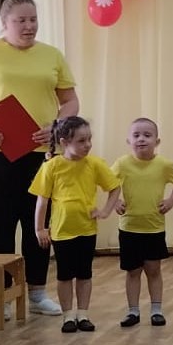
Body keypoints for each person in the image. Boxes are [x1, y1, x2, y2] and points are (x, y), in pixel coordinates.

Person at [0, 0, 78, 316]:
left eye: (33, 19)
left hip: (42, 151)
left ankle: (37, 292)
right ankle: (3, 295)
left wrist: (57, 126)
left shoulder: (51, 55)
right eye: (21, 20)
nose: (29, 26)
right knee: (2, 223)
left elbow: (70, 101)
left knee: (38, 220)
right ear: (4, 22)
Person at [31, 116, 120, 333]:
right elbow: (42, 200)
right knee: (64, 275)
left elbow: (114, 187)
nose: (87, 145)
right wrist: (39, 228)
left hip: (86, 230)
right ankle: (68, 316)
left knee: (84, 274)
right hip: (62, 231)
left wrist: (106, 210)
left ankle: (83, 314)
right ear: (64, 142)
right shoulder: (51, 166)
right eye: (81, 141)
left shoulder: (95, 164)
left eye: (89, 139)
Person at [111, 117, 173, 328]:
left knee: (153, 269)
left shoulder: (164, 165)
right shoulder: (122, 164)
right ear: (129, 140)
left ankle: (156, 310)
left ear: (156, 141)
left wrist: (170, 201)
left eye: (147, 135)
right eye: (136, 135)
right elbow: (108, 183)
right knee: (133, 271)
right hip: (129, 228)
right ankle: (133, 311)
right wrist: (115, 202)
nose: (141, 139)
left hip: (154, 228)